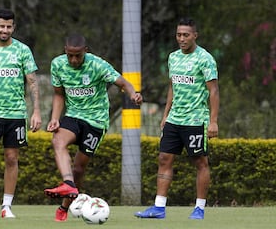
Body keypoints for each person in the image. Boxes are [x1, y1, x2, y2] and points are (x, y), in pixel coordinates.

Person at [44, 33, 143, 222]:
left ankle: (64, 206)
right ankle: (68, 184)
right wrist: (55, 118)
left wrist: (133, 94)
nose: (73, 60)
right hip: (73, 116)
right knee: (58, 140)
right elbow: (59, 95)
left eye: (78, 56)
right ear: (65, 51)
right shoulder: (57, 64)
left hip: (96, 121)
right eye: (70, 55)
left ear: (85, 51)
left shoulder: (98, 65)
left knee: (79, 169)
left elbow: (123, 83)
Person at [135, 17, 219, 220]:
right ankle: (159, 207)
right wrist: (165, 115)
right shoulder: (173, 57)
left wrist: (214, 121)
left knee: (200, 162)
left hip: (195, 119)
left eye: (186, 35)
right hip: (174, 119)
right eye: (178, 35)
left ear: (195, 36)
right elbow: (172, 86)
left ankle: (199, 208)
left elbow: (214, 90)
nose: (181, 39)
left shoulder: (205, 59)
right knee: (164, 159)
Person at [0, 8, 42, 218]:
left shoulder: (22, 50)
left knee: (12, 158)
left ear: (13, 27)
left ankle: (7, 206)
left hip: (16, 113)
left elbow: (32, 82)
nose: (5, 30)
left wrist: (36, 111)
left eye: (9, 26)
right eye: (1, 26)